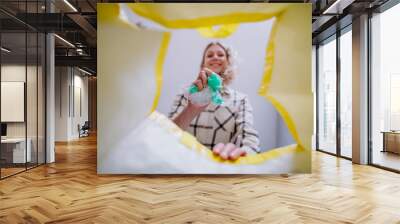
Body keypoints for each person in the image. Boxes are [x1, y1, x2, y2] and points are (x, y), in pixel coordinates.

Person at [169, 42, 260, 160]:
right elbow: (167, 135)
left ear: (228, 62)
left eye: (220, 55)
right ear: (203, 64)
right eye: (210, 55)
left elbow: (249, 137)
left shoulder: (241, 100)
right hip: (184, 165)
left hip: (221, 169)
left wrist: (246, 153)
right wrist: (190, 109)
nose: (215, 57)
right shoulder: (185, 95)